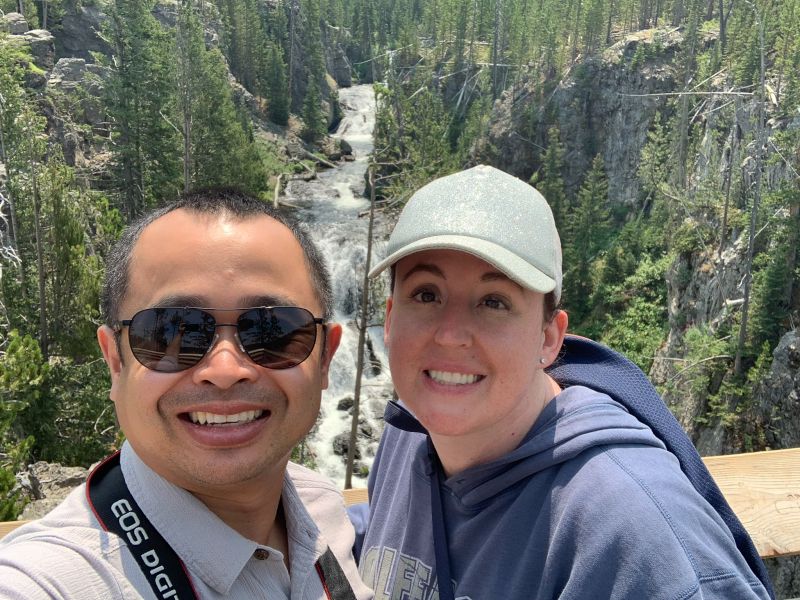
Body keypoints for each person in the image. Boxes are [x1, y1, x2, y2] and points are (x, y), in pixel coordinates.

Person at [358, 165, 773, 600]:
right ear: (389, 319)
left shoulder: (637, 534)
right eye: (426, 294)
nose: (450, 333)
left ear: (549, 337)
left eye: (493, 302)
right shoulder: (408, 434)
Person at [0, 189, 373, 600]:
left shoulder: (322, 508)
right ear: (116, 362)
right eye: (172, 330)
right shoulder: (53, 579)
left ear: (325, 359)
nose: (225, 371)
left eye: (273, 330)